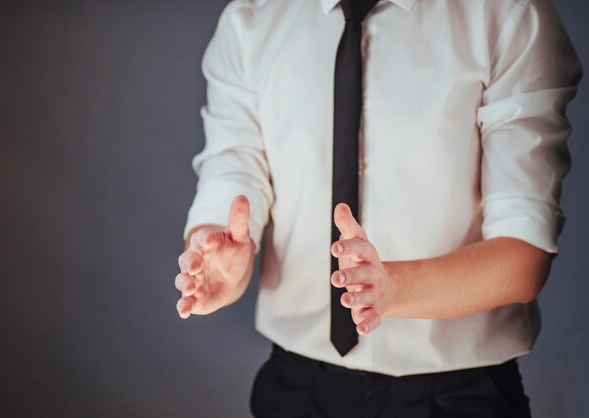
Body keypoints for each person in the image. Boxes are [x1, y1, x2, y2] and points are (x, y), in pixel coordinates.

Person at [175, 0, 582, 416]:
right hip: (295, 390)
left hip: (459, 396)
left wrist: (392, 289)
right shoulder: (250, 20)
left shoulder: (509, 15)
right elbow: (233, 168)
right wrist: (217, 246)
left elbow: (523, 258)